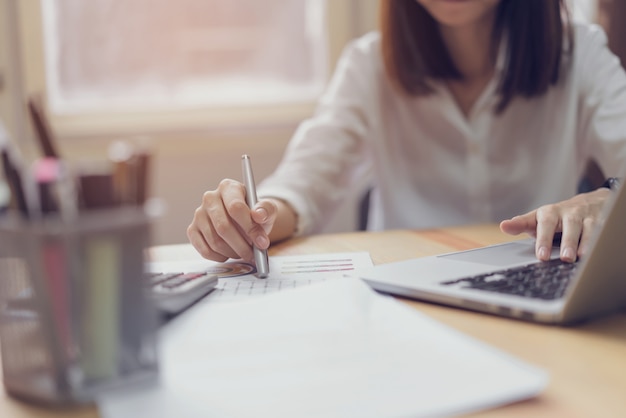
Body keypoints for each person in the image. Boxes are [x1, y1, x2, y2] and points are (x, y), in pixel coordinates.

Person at [187, 0, 626, 268]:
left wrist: (606, 197)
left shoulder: (580, 53)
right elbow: (304, 185)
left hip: (538, 284)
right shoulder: (369, 63)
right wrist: (248, 220)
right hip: (404, 300)